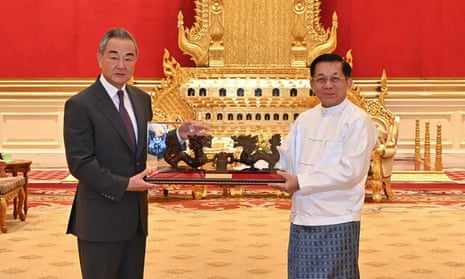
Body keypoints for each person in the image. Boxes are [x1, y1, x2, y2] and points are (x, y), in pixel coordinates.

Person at [63, 27, 208, 279]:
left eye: (128, 57)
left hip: (135, 221)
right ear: (100, 58)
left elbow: (150, 150)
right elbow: (80, 163)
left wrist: (178, 135)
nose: (121, 64)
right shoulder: (80, 104)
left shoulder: (141, 99)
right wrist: (125, 184)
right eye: (113, 56)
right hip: (100, 221)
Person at [269, 53, 378, 279]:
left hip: (338, 217)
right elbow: (286, 158)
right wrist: (256, 166)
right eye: (321, 79)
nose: (328, 85)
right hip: (303, 215)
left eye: (335, 79)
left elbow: (352, 173)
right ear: (312, 84)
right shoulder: (305, 119)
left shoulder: (358, 120)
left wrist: (301, 182)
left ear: (348, 82)